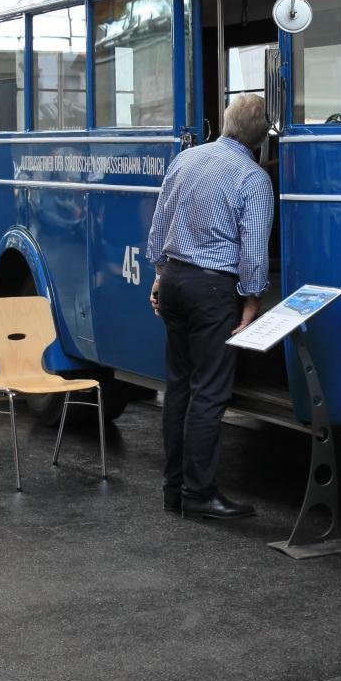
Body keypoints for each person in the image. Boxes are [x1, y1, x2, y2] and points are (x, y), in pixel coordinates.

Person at [146, 95, 274, 521]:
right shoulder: (253, 178)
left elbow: (159, 225)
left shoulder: (187, 159)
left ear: (225, 122)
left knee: (179, 387)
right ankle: (199, 493)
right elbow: (253, 252)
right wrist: (252, 301)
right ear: (261, 139)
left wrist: (161, 274)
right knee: (209, 392)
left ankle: (173, 490)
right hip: (212, 289)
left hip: (175, 281)